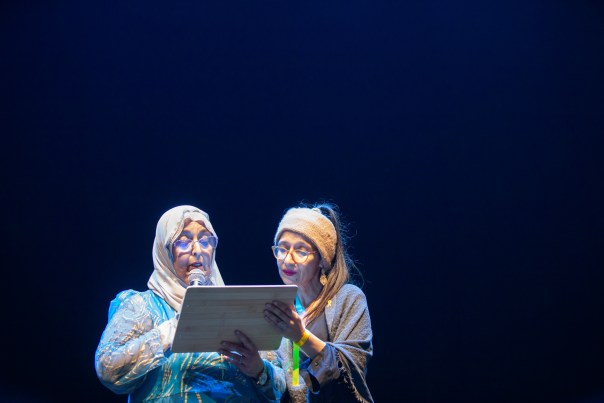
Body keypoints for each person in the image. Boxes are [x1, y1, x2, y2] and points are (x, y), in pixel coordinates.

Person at [95, 205, 285, 402]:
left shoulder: (238, 309)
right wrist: (171, 330)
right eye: (184, 241)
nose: (197, 250)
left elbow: (285, 384)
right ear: (165, 250)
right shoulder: (142, 306)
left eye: (205, 240)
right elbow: (108, 369)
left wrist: (259, 370)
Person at [220, 203, 374, 402]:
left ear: (322, 259)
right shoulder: (278, 309)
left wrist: (300, 337)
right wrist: (258, 369)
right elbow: (285, 387)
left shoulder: (348, 298)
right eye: (282, 249)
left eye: (301, 251)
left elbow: (352, 372)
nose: (287, 259)